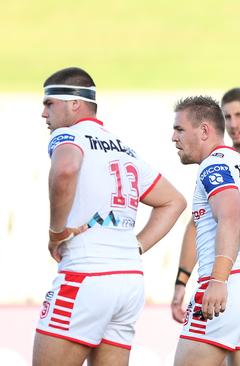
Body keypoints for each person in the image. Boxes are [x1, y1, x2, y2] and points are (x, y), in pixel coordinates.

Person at [34, 67, 186, 366]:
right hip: (128, 281)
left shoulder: (69, 135)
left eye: (49, 103)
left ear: (74, 103)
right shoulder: (123, 148)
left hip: (86, 275)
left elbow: (65, 169)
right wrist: (135, 247)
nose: (43, 113)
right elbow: (173, 201)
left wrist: (56, 232)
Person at [171, 96, 240, 366]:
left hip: (227, 284)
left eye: (180, 129)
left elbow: (230, 217)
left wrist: (218, 280)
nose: (173, 137)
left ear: (204, 130)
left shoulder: (213, 166)